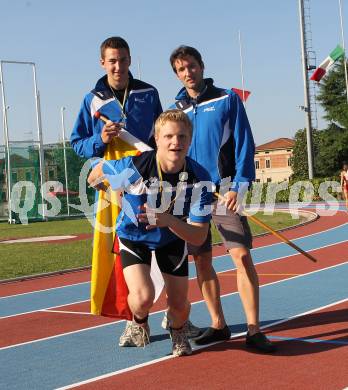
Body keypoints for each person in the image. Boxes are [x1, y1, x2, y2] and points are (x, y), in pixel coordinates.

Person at [167, 45, 276, 352]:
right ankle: (219, 325)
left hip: (224, 190)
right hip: (192, 196)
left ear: (201, 66)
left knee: (241, 256)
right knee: (201, 261)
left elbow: (244, 143)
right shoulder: (176, 110)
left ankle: (254, 329)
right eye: (180, 69)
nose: (187, 73)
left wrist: (239, 187)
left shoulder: (227, 99)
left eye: (191, 66)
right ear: (176, 73)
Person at [87, 109, 212, 356]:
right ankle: (138, 321)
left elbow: (198, 236)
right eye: (168, 136)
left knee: (180, 306)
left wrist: (168, 220)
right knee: (143, 298)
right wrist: (110, 188)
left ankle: (177, 330)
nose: (175, 142)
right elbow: (95, 174)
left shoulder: (200, 179)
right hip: (134, 237)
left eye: (182, 137)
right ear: (157, 139)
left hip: (172, 238)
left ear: (189, 140)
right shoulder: (135, 167)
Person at [70, 36, 164, 319]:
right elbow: (77, 143)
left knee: (161, 245)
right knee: (122, 248)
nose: (118, 66)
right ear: (102, 63)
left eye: (123, 60)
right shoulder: (92, 99)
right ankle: (133, 316)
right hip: (113, 186)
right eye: (112, 61)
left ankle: (175, 315)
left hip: (147, 181)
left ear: (130, 60)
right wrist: (99, 139)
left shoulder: (149, 93)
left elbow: (161, 136)